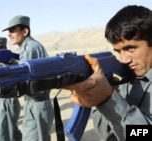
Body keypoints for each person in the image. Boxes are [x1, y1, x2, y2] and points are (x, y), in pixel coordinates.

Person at [63, 5, 152, 141]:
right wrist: (99, 99)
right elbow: (109, 135)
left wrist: (108, 99)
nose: (124, 60)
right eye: (118, 51)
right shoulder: (128, 78)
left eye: (130, 48)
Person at [0, 15, 54, 141]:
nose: (9, 34)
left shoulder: (30, 48)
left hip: (37, 104)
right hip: (35, 104)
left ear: (25, 31)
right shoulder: (29, 47)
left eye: (12, 30)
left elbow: (20, 78)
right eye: (9, 31)